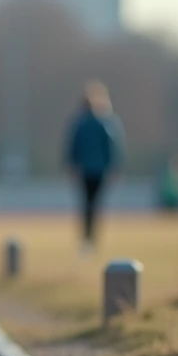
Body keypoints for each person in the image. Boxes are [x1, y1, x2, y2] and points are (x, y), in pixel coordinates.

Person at [64, 81, 125, 252]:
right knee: (94, 205)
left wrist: (71, 166)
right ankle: (90, 239)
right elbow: (112, 147)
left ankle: (87, 239)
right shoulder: (105, 122)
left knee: (87, 204)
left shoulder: (79, 123)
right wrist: (115, 168)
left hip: (85, 170)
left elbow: (72, 147)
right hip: (100, 170)